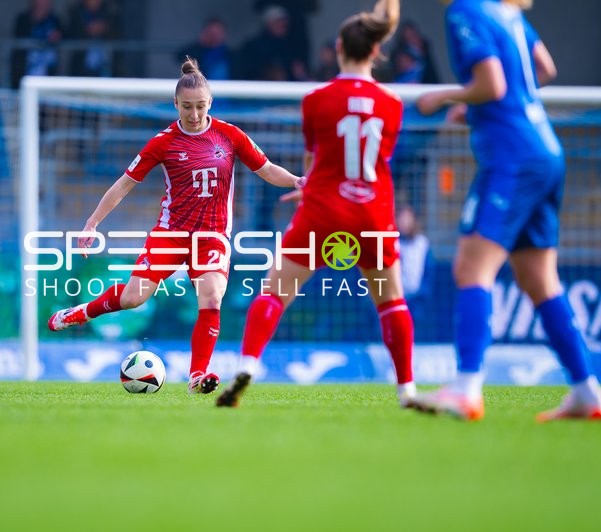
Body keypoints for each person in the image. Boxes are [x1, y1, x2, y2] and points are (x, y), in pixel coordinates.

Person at [47, 58, 304, 394]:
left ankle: (197, 376)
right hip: (171, 234)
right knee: (133, 298)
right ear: (175, 104)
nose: (194, 114)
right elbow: (124, 184)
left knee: (212, 297)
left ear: (210, 103)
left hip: (212, 236)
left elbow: (267, 169)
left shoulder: (230, 135)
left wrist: (298, 180)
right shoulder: (163, 142)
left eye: (200, 106)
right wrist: (92, 223)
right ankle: (82, 312)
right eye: (186, 107)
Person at [411, 0, 601, 421]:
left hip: (512, 158)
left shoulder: (466, 10)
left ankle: (466, 388)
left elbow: (493, 84)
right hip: (544, 150)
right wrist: (481, 105)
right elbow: (544, 68)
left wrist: (444, 96)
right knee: (539, 278)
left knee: (471, 267)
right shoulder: (506, 12)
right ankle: (587, 391)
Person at [217, 0, 418, 408]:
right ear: (376, 51)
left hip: (323, 210)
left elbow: (315, 159)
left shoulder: (315, 99)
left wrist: (309, 187)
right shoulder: (393, 104)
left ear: (339, 48)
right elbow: (375, 162)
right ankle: (407, 390)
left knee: (274, 292)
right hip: (371, 213)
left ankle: (248, 364)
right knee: (391, 302)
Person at [238, 5, 307, 81]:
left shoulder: (291, 46)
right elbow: (247, 72)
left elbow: (297, 71)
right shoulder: (253, 47)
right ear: (269, 24)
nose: (283, 26)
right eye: (279, 22)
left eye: (285, 24)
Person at [397, 204, 435, 331]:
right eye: (401, 218)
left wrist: (423, 293)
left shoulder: (422, 243)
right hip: (395, 297)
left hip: (417, 300)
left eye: (407, 218)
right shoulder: (391, 241)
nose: (404, 222)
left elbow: (429, 270)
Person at [11, 0, 63, 88]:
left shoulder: (54, 20)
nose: (43, 3)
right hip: (26, 69)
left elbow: (65, 35)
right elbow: (19, 39)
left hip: (48, 72)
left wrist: (57, 36)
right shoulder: (23, 19)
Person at [66, 0, 115, 77]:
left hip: (104, 66)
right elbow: (70, 35)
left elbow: (117, 34)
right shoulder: (76, 12)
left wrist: (104, 28)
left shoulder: (108, 12)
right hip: (81, 68)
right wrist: (87, 30)